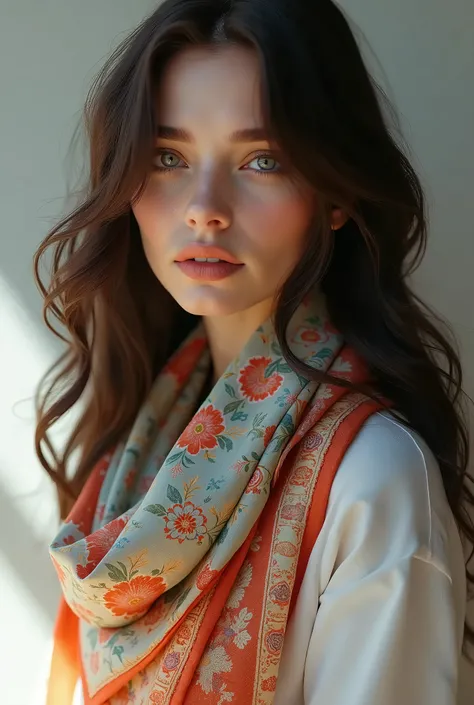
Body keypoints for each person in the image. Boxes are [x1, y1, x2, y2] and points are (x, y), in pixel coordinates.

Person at [34, 1, 473, 703]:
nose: (205, 206)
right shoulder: (132, 460)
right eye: (168, 157)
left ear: (333, 193)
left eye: (263, 159)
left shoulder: (374, 483)